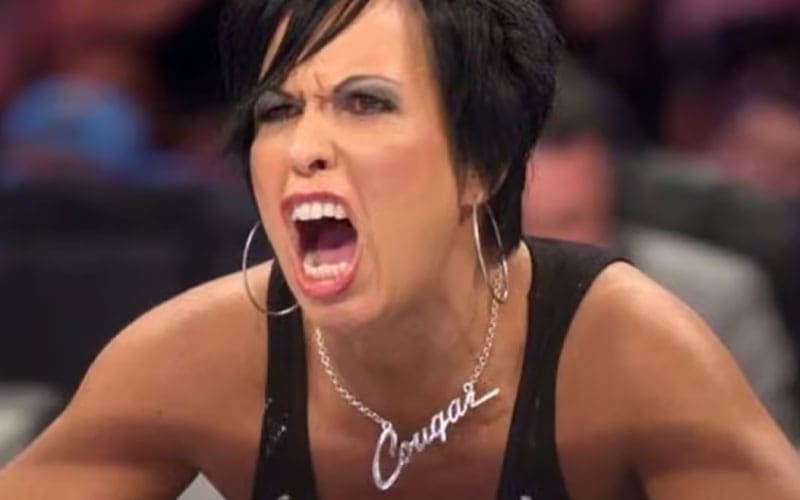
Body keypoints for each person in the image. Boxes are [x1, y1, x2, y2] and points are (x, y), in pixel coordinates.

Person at [1, 1, 799, 499]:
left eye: (365, 103)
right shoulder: (195, 358)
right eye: (278, 110)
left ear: (483, 163)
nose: (304, 147)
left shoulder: (627, 351)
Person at [521, 63, 800, 443]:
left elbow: (774, 458)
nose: (541, 249)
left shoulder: (718, 301)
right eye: (518, 226)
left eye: (569, 221)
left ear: (609, 200)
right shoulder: (453, 307)